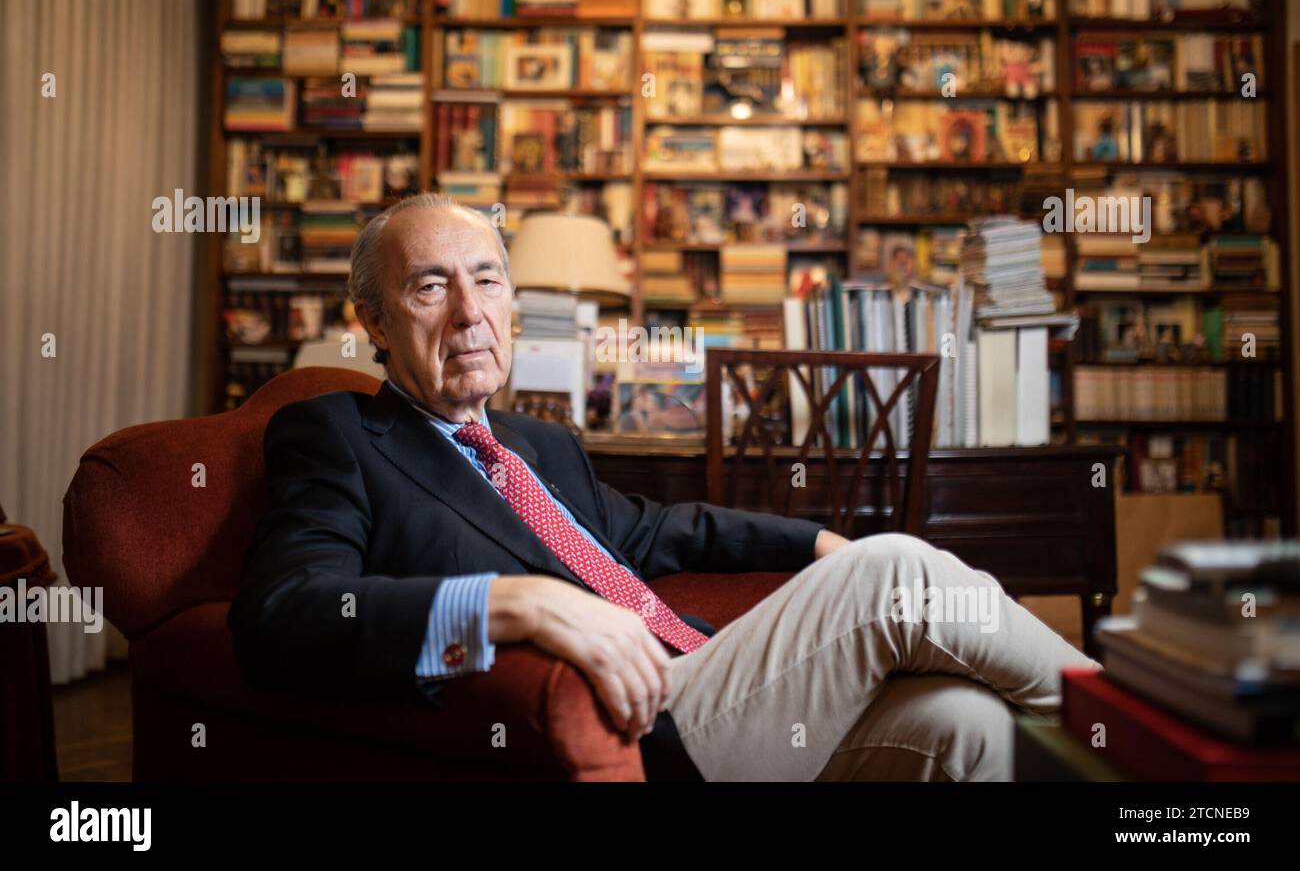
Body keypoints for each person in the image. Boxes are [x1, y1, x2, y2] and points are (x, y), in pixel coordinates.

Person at [227, 192, 1100, 781]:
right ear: (372, 322)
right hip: (649, 726)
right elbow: (284, 616)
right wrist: (511, 605)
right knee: (899, 571)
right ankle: (1159, 751)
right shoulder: (338, 435)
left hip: (712, 678)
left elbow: (660, 530)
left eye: (487, 279)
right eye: (429, 286)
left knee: (965, 724)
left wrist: (817, 543)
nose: (469, 312)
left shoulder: (540, 443)